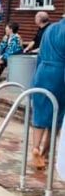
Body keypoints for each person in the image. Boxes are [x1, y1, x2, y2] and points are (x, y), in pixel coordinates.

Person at [29, 16, 65, 171]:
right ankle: (45, 153)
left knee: (39, 112)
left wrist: (35, 76)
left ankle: (35, 148)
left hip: (42, 71)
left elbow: (40, 54)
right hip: (59, 74)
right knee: (56, 115)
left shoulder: (50, 28)